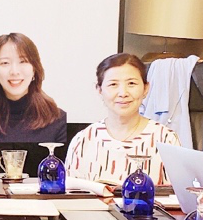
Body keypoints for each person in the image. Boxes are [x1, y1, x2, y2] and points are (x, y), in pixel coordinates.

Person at [66, 53, 180, 186]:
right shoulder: (83, 140)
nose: (123, 93)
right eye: (113, 84)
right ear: (99, 90)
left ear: (145, 89)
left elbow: (177, 194)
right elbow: (71, 192)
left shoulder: (166, 139)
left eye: (131, 83)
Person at [0, 33, 67, 173]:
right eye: (5, 63)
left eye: (23, 61)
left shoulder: (58, 121)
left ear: (34, 69)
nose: (15, 71)